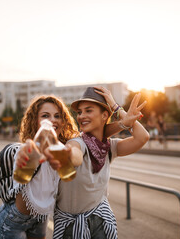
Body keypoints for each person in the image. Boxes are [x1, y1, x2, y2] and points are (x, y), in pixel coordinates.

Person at [48, 86, 149, 239]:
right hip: (71, 226)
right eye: (80, 112)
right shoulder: (77, 142)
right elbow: (75, 152)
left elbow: (142, 137)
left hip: (101, 221)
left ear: (104, 115)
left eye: (88, 110)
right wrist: (69, 155)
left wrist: (117, 108)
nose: (81, 116)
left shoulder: (110, 147)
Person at [0, 95, 82, 239]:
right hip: (13, 221)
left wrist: (71, 154)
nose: (52, 120)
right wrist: (25, 154)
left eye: (57, 116)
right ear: (35, 121)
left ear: (63, 121)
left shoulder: (62, 149)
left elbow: (77, 156)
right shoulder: (29, 148)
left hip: (41, 219)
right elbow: (14, 150)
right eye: (45, 116)